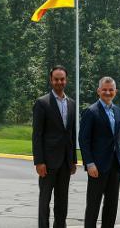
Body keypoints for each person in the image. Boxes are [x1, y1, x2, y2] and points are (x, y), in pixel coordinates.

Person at [32, 65, 77, 228]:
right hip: (47, 162)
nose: (59, 82)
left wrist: (73, 160)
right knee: (45, 201)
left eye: (62, 79)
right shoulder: (42, 103)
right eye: (56, 79)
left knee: (62, 201)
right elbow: (37, 135)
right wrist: (39, 161)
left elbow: (71, 134)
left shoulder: (72, 103)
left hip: (65, 162)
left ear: (66, 80)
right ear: (51, 80)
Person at [79, 77, 120, 228]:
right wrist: (90, 163)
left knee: (111, 206)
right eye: (104, 89)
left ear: (115, 92)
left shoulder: (119, 112)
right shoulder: (91, 111)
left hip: (114, 166)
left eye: (111, 90)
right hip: (97, 167)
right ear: (98, 91)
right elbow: (84, 140)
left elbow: (119, 139)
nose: (108, 92)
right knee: (93, 206)